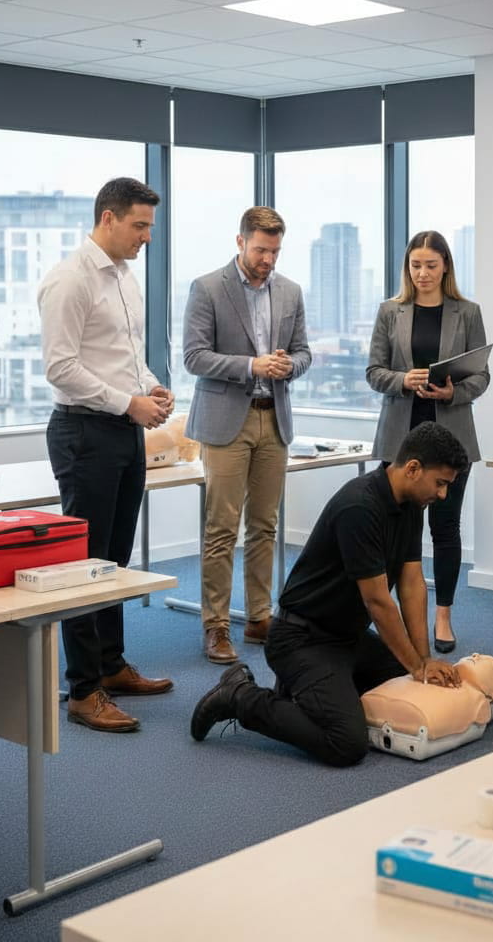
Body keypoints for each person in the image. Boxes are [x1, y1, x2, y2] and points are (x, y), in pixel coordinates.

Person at [190, 422, 469, 767]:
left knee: (407, 683)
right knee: (347, 743)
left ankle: (300, 694)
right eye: (440, 483)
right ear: (413, 469)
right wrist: (417, 667)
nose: (442, 495)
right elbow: (378, 602)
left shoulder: (411, 504)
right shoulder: (360, 507)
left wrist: (423, 660)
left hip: (347, 638)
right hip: (301, 639)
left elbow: (411, 583)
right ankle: (240, 696)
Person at [39, 177, 175, 733]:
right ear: (108, 218)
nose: (147, 237)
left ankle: (111, 666)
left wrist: (150, 386)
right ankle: (82, 690)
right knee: (85, 561)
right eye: (140, 226)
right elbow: (61, 367)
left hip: (123, 429)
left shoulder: (124, 276)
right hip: (84, 432)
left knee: (115, 560)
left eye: (150, 227)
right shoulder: (70, 279)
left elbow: (125, 356)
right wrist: (128, 402)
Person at [184, 206, 311, 664]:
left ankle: (259, 617)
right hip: (226, 422)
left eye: (275, 251)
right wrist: (251, 366)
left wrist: (289, 365)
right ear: (240, 242)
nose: (268, 260)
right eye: (260, 250)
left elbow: (304, 352)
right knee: (221, 528)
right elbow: (194, 357)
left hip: (273, 418)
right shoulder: (207, 288)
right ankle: (216, 625)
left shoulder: (290, 291)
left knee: (265, 525)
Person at [366, 231, 489, 655]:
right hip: (400, 439)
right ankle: (391, 616)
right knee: (397, 529)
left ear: (445, 266)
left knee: (445, 527)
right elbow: (374, 371)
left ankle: (443, 615)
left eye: (430, 265)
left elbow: (482, 375)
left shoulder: (467, 312)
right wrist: (404, 379)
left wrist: (453, 391)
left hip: (452, 437)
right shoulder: (390, 311)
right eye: (415, 265)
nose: (422, 273)